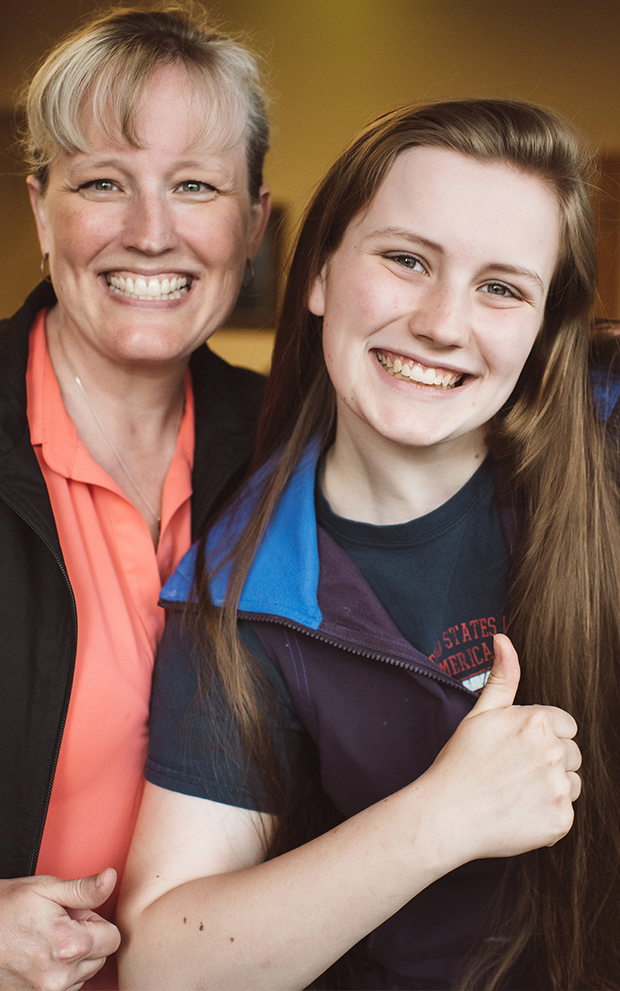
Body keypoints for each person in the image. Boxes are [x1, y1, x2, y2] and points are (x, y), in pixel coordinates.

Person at [117, 99, 620, 991]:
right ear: (319, 274)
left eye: (501, 286)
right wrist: (438, 817)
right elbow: (167, 963)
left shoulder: (607, 447)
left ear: (545, 327)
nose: (441, 322)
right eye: (406, 259)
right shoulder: (238, 594)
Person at [0, 6, 271, 989]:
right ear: (41, 207)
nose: (150, 233)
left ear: (251, 223)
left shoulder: (304, 452)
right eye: (103, 183)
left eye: (194, 186)